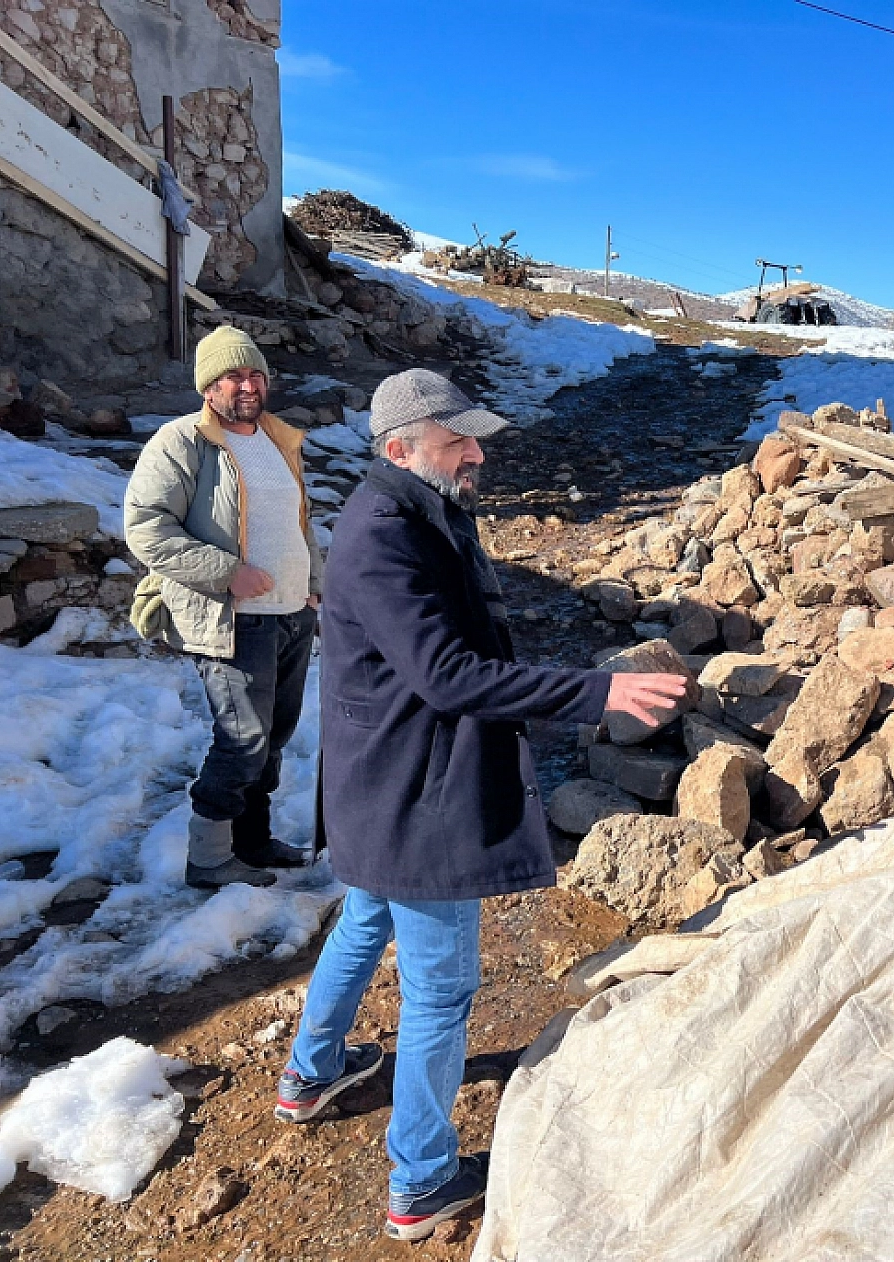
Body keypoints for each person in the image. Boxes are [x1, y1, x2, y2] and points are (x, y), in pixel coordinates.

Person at [274, 368, 687, 1243]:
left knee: (361, 923)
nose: (478, 450)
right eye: (457, 438)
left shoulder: (420, 508)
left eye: (474, 435)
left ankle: (310, 1076)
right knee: (441, 989)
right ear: (400, 448)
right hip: (414, 793)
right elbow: (446, 674)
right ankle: (420, 1183)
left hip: (379, 781)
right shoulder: (385, 531)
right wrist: (594, 693)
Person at [125, 325, 322, 889]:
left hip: (291, 614)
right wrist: (227, 573)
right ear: (209, 386)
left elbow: (297, 523)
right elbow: (147, 530)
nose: (248, 384)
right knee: (242, 740)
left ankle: (251, 842)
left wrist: (313, 581)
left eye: (255, 373)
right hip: (231, 618)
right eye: (233, 375)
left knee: (274, 737)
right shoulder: (181, 441)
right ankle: (208, 860)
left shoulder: (279, 440)